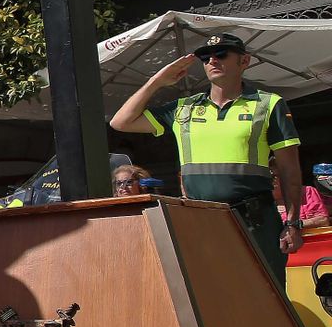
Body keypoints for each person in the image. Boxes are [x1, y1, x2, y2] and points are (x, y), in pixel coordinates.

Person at [110, 31, 303, 286]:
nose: (213, 60)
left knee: (267, 300)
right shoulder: (184, 108)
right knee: (209, 303)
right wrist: (157, 81)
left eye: (222, 54)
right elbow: (120, 121)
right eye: (206, 57)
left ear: (244, 61)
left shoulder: (268, 104)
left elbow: (290, 172)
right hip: (201, 222)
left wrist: (293, 223)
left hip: (255, 221)